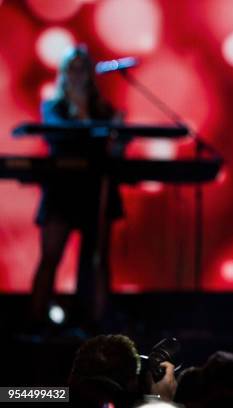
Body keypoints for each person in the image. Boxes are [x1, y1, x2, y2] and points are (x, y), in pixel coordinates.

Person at [30, 45, 124, 326]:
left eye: (84, 66)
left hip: (95, 191)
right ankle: (34, 324)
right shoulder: (53, 107)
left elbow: (113, 154)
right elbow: (58, 140)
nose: (79, 72)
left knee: (97, 262)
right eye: (73, 66)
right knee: (50, 258)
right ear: (64, 72)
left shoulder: (104, 109)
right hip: (62, 191)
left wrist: (119, 136)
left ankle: (96, 328)